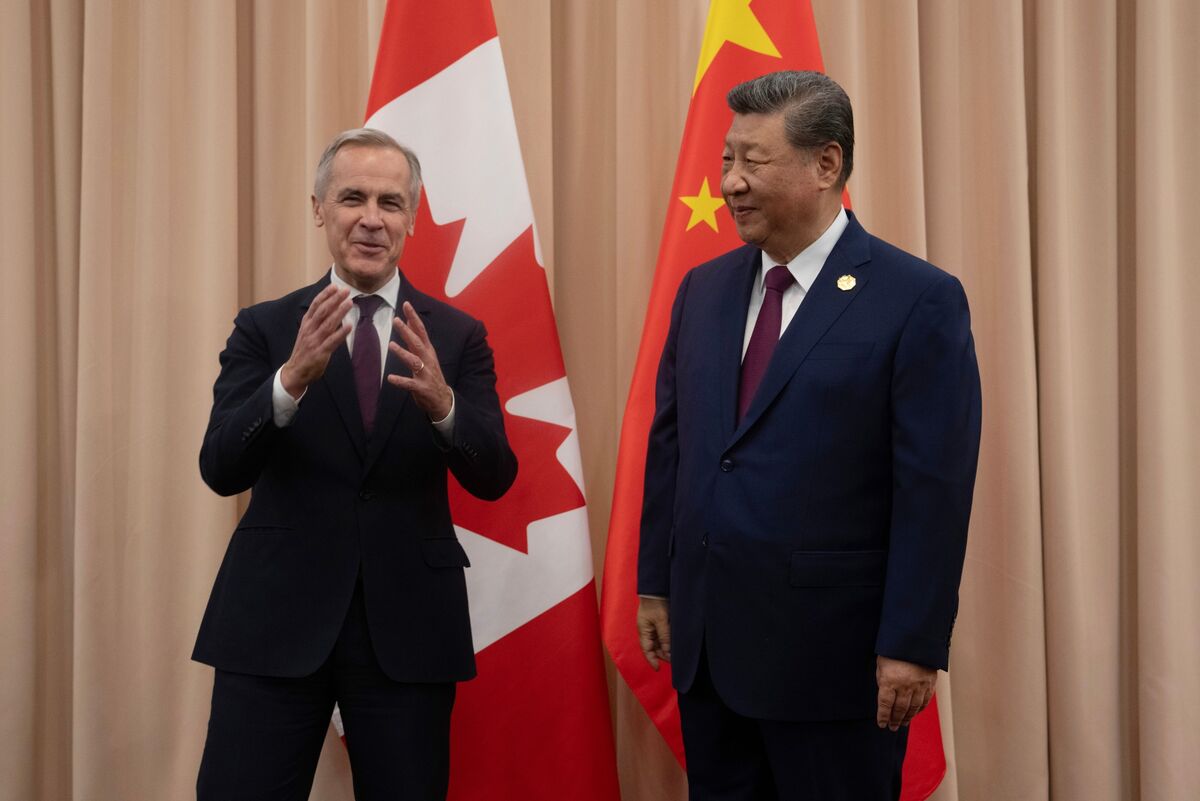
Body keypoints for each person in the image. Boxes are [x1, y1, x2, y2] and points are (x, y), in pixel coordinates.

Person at [636, 71, 981, 800]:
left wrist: (912, 642)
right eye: (726, 159)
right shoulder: (702, 290)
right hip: (710, 653)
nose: (731, 182)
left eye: (752, 161)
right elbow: (673, 448)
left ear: (826, 164)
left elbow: (934, 488)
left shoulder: (917, 299)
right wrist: (656, 585)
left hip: (834, 666)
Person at [193, 128, 517, 800]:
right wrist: (289, 381)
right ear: (319, 209)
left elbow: (495, 476)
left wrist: (445, 406)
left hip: (408, 628)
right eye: (353, 198)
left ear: (412, 218)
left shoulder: (456, 336)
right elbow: (221, 467)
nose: (372, 218)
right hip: (275, 620)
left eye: (390, 202)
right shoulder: (266, 328)